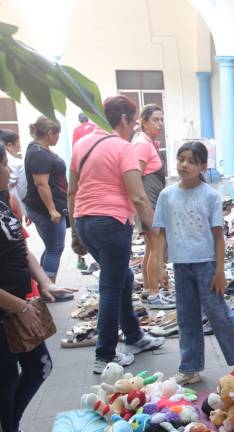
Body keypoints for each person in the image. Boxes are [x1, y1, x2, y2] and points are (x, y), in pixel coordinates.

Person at [68, 95, 165, 373]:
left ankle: (134, 337)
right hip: (111, 222)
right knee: (111, 287)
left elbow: (72, 191)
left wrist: (75, 232)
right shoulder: (123, 148)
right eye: (134, 121)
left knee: (124, 276)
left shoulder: (81, 145)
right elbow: (137, 196)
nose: (134, 127)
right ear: (123, 119)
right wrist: (155, 231)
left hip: (86, 221)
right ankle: (105, 356)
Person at [153, 141, 234, 385]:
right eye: (181, 159)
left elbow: (219, 237)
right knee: (186, 317)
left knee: (218, 313)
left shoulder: (210, 196)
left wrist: (220, 271)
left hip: (207, 265)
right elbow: (161, 235)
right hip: (180, 265)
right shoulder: (166, 195)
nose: (184, 165)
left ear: (202, 165)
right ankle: (190, 367)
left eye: (191, 161)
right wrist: (159, 267)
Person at [0, 144, 76, 432]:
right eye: (4, 164)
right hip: (10, 310)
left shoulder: (4, 200)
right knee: (5, 382)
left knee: (39, 368)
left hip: (18, 308)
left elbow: (22, 248)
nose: (9, 172)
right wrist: (20, 307)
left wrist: (45, 281)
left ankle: (11, 424)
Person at [132, 104, 173, 310]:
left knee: (150, 247)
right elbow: (135, 176)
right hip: (148, 200)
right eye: (155, 119)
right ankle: (155, 294)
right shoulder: (142, 143)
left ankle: (149, 291)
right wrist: (143, 206)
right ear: (143, 121)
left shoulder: (147, 142)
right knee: (156, 246)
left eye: (162, 119)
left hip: (152, 197)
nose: (160, 123)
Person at [23, 116, 68, 283]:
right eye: (58, 134)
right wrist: (51, 209)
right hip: (45, 210)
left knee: (52, 247)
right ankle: (50, 288)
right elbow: (41, 184)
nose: (58, 137)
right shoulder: (39, 153)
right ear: (50, 133)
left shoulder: (39, 149)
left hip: (44, 207)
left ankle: (45, 285)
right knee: (55, 248)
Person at [1, 130, 27, 218]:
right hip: (12, 206)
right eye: (17, 143)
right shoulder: (17, 163)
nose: (19, 146)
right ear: (9, 145)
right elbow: (23, 189)